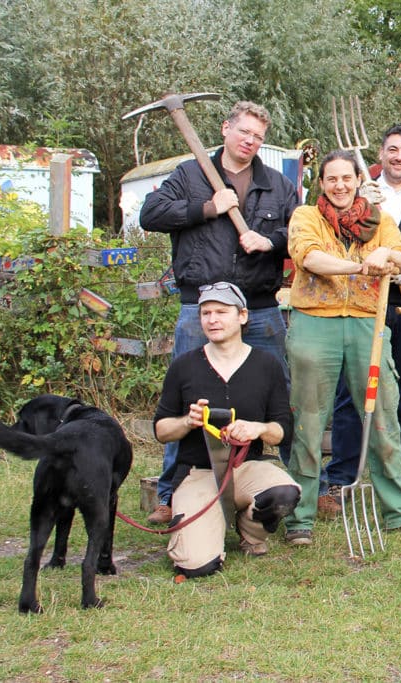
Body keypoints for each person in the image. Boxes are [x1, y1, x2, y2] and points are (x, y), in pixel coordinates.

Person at [140, 101, 298, 525]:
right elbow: (150, 215)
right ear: (226, 129)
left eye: (258, 137)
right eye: (244, 132)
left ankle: (286, 484)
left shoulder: (279, 185)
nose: (250, 141)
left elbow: (297, 233)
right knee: (185, 392)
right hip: (201, 303)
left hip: (259, 305)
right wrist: (207, 207)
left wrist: (269, 242)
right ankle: (171, 492)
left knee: (278, 388)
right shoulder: (190, 175)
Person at [282, 149, 401, 544]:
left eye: (346, 178)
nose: (339, 186)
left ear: (357, 179)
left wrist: (389, 254)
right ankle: (300, 517)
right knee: (310, 420)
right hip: (316, 322)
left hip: (368, 321)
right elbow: (309, 257)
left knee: (383, 413)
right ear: (321, 183)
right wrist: (361, 265)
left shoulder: (378, 219)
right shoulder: (306, 217)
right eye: (331, 179)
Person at [320, 125, 401, 518]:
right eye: (392, 150)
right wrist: (362, 211)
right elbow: (336, 238)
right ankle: (342, 472)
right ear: (380, 153)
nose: (399, 157)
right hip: (359, 299)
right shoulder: (356, 191)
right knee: (350, 388)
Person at [153, 282, 300, 577]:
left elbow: (282, 429)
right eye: (206, 313)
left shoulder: (267, 365)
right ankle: (202, 529)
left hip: (246, 467)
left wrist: (258, 429)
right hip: (199, 472)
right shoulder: (183, 366)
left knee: (284, 493)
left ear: (242, 316)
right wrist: (187, 422)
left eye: (221, 311)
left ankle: (251, 531)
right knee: (198, 566)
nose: (212, 319)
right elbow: (161, 430)